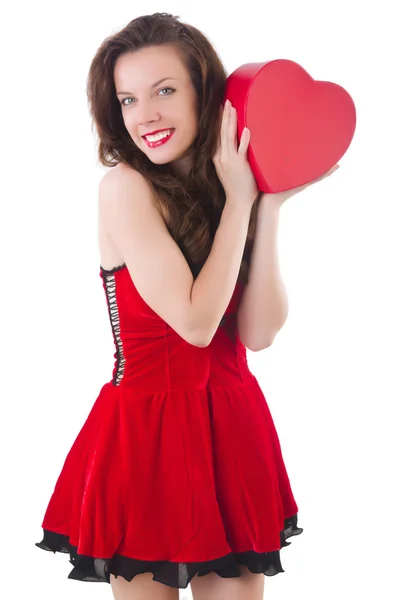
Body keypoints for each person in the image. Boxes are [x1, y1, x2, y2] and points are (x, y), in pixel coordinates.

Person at [35, 11, 337, 600]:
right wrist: (239, 204)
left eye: (165, 91)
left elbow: (257, 335)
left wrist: (264, 206)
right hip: (146, 434)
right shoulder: (124, 187)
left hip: (234, 426)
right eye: (127, 99)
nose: (144, 114)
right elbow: (197, 325)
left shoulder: (232, 190)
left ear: (207, 94)